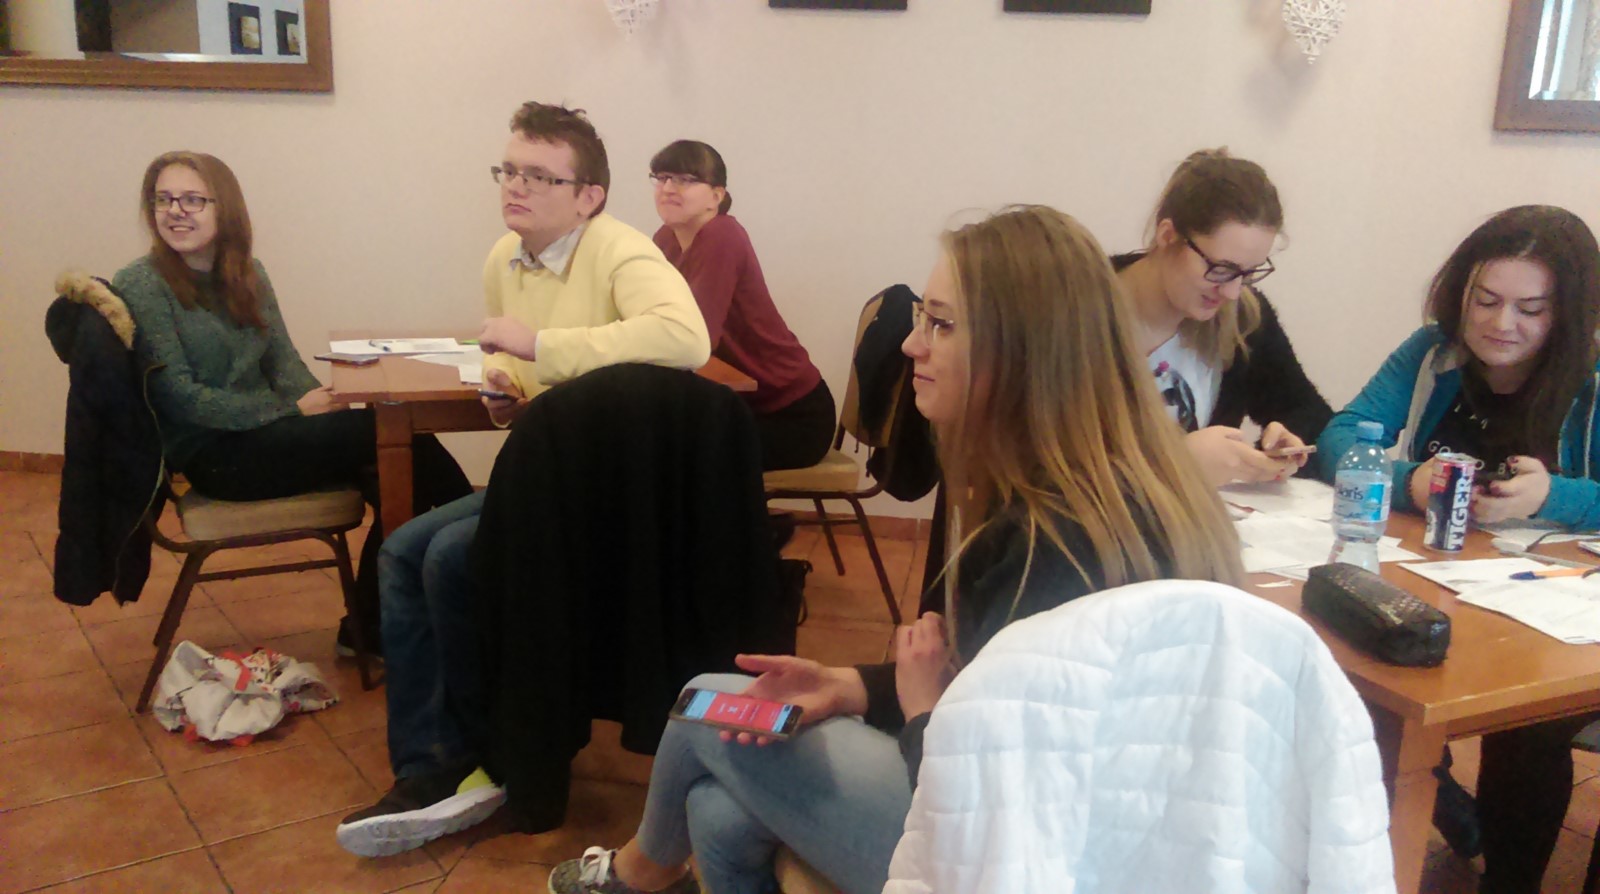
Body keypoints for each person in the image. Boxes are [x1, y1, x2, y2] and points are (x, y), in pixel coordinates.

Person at [547, 205, 1246, 894]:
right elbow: (979, 683)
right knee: (717, 814)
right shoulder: (1127, 488)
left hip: (1024, 860)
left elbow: (980, 803)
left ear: (1021, 351)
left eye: (941, 324)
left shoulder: (1047, 545)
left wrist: (917, 708)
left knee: (706, 702)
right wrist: (851, 685)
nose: (912, 346)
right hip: (1102, 842)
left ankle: (639, 874)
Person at [335, 102, 711, 858]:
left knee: (451, 559)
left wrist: (539, 343)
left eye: (540, 176)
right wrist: (507, 392)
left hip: (608, 492)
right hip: (542, 471)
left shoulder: (621, 251)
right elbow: (526, 374)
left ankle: (496, 755)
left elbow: (685, 338)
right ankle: (430, 762)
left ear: (588, 196)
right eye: (509, 170)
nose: (517, 186)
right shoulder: (504, 257)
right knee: (400, 551)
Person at [1318, 204, 1600, 893]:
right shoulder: (1431, 353)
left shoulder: (1591, 378)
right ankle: (1440, 814)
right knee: (1362, 676)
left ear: (1567, 314)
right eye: (1486, 299)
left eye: (1531, 309)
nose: (1502, 324)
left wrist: (1555, 495)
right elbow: (1341, 436)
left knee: (1527, 726)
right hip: (1446, 578)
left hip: (1560, 607)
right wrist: (1407, 480)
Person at [114, 151, 471, 654]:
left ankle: (373, 627)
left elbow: (283, 363)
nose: (175, 211)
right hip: (216, 456)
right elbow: (180, 398)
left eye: (192, 199)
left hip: (271, 438)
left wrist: (327, 402)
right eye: (163, 200)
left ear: (224, 207)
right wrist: (293, 413)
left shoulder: (248, 273)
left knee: (400, 466)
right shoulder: (141, 283)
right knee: (403, 444)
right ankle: (480, 569)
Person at [1112, 148, 1332, 487]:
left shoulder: (1244, 317)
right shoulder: (1076, 309)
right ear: (1167, 236)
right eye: (1220, 269)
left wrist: (1283, 446)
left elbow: (1310, 417)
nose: (1231, 292)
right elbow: (1044, 467)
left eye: (1248, 273)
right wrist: (1179, 462)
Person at [648, 140, 835, 471]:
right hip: (742, 406)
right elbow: (648, 316)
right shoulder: (665, 239)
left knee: (673, 456)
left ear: (716, 196)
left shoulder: (722, 236)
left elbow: (696, 338)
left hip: (791, 414)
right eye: (661, 177)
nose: (668, 188)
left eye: (685, 179)